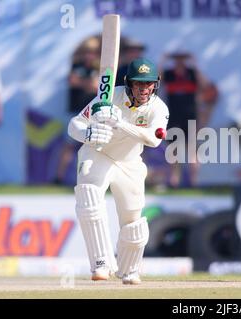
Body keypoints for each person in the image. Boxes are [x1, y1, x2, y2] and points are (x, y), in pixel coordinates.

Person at [67, 57, 169, 285]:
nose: (144, 89)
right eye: (139, 83)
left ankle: (129, 269)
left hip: (130, 163)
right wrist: (88, 134)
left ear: (156, 84)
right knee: (89, 196)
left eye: (149, 83)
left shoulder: (159, 108)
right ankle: (101, 263)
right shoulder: (109, 96)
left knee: (133, 222)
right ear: (129, 83)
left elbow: (154, 140)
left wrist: (119, 122)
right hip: (98, 153)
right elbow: (74, 124)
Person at [55, 38, 100, 184]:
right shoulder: (76, 65)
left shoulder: (99, 68)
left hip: (92, 113)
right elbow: (73, 81)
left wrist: (83, 83)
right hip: (75, 111)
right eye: (87, 52)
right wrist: (87, 83)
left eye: (92, 52)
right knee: (68, 145)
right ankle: (59, 177)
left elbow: (95, 86)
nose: (89, 55)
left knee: (92, 147)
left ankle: (90, 178)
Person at [160, 51, 204, 187]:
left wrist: (195, 64)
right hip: (173, 116)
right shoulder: (169, 74)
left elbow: (203, 85)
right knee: (173, 150)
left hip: (190, 116)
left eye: (182, 59)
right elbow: (156, 80)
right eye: (177, 59)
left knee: (192, 149)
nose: (180, 62)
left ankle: (194, 182)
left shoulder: (191, 73)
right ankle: (174, 181)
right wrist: (163, 60)